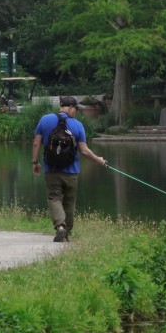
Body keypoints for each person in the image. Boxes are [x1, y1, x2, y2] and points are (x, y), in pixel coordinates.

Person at [31, 96, 107, 242]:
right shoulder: (78, 125)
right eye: (76, 109)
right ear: (70, 107)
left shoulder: (45, 120)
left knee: (54, 197)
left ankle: (60, 226)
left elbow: (36, 144)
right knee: (69, 202)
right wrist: (99, 161)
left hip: (51, 170)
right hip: (72, 172)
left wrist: (35, 162)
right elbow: (84, 151)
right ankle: (67, 233)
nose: (76, 112)